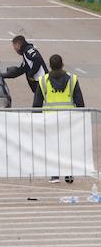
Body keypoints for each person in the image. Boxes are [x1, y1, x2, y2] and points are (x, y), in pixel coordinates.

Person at [33, 54, 85, 184]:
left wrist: (35, 120)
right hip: (68, 119)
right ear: (62, 64)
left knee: (52, 147)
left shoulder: (43, 80)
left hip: (50, 119)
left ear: (50, 65)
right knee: (67, 147)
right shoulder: (72, 79)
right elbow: (80, 102)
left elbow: (37, 103)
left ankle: (54, 175)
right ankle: (68, 174)